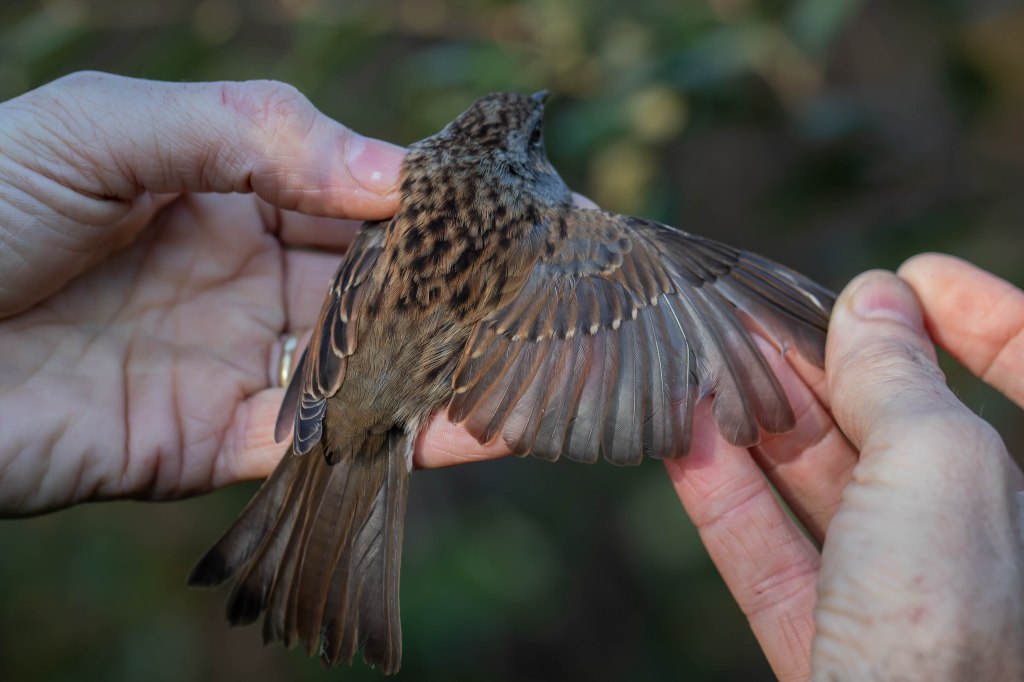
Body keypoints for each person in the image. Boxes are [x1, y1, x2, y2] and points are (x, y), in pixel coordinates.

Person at [0, 72, 1020, 680]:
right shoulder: (588, 244)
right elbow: (703, 304)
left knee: (347, 447)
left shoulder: (391, 209)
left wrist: (321, 387)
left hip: (342, 375)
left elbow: (351, 298)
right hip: (379, 399)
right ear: (528, 167)